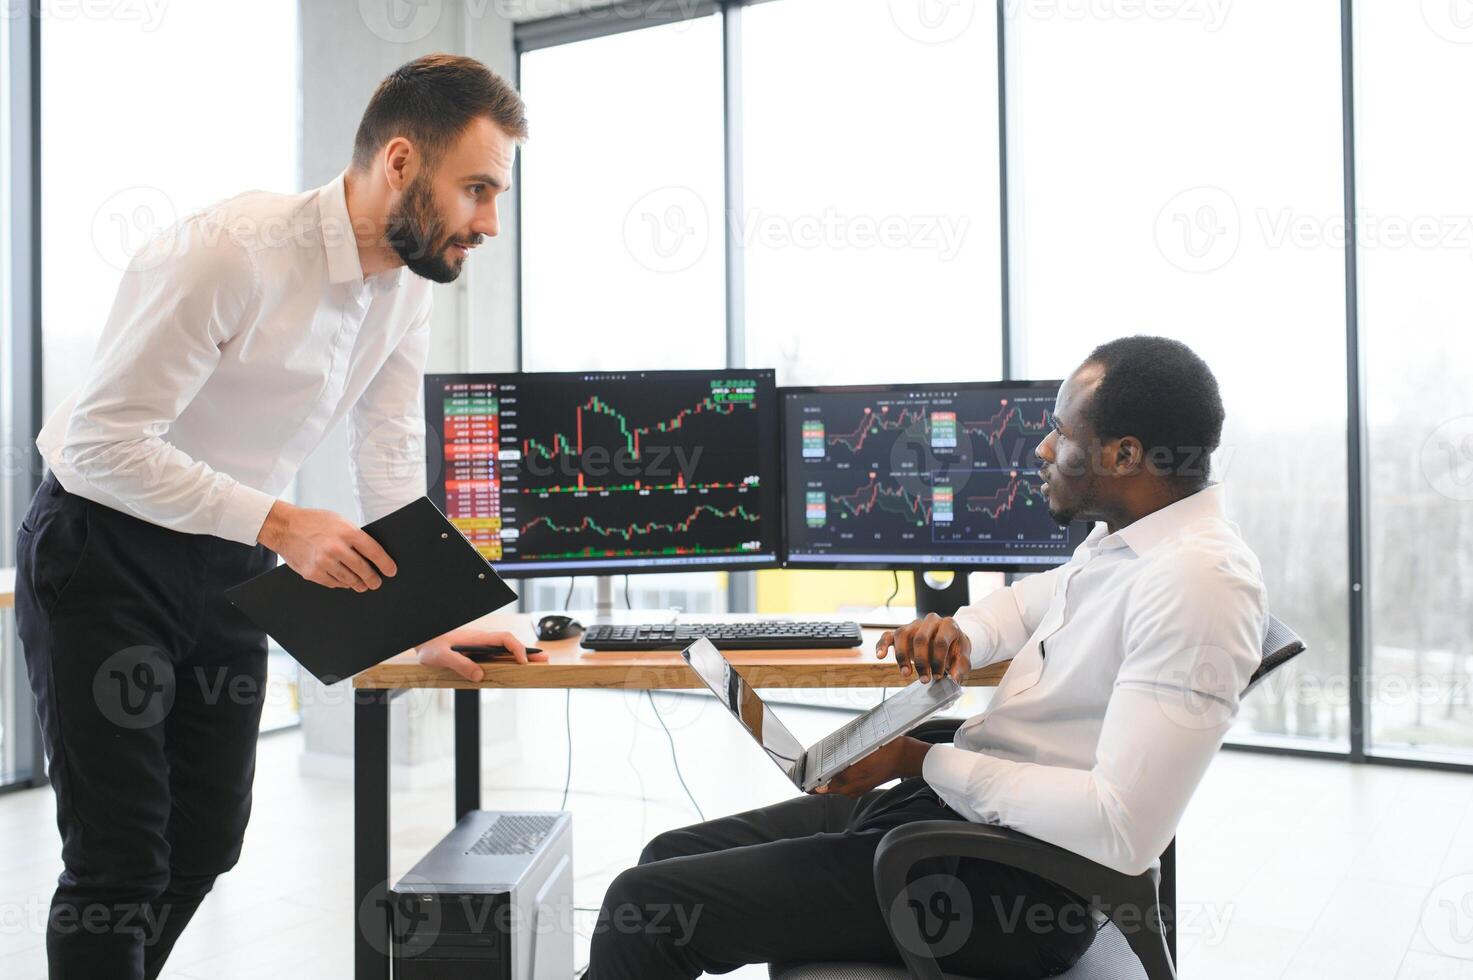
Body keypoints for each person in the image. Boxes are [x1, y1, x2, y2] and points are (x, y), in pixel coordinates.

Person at [14, 54, 535, 979]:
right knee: (119, 863)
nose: (489, 223)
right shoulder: (230, 251)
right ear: (403, 164)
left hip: (230, 560)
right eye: (477, 190)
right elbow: (98, 446)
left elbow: (384, 451)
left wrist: (426, 620)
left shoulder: (408, 283)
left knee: (206, 841)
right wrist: (283, 523)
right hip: (104, 550)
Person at [587, 336, 1267, 979]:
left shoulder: (1196, 583)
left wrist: (919, 759)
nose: (1041, 448)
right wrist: (962, 632)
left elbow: (1121, 829)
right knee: (666, 859)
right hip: (956, 821)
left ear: (1122, 457)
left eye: (1061, 433)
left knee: (644, 910)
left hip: (1010, 888)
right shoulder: (1127, 540)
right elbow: (1030, 603)